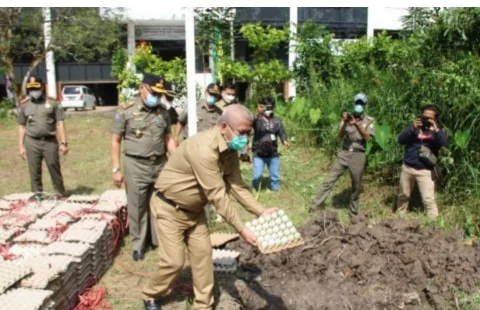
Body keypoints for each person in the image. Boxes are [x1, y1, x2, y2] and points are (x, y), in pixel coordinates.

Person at [142, 104, 278, 310]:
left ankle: (203, 306)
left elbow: (236, 186)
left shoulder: (230, 148)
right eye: (242, 132)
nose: (246, 138)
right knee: (174, 262)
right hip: (169, 208)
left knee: (203, 257)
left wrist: (260, 210)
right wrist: (242, 229)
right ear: (224, 127)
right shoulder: (204, 150)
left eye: (248, 133)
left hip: (194, 211)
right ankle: (150, 293)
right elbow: (217, 195)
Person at [110, 73, 176, 262]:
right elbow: (115, 141)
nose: (157, 96)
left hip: (160, 164)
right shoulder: (126, 110)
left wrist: (178, 160)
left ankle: (157, 240)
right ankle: (138, 244)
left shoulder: (163, 112)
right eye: (153, 92)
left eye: (159, 93)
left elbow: (168, 139)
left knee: (161, 203)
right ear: (142, 88)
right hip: (136, 164)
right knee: (137, 205)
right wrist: (116, 169)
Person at [309, 93, 375, 217]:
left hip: (358, 155)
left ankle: (353, 213)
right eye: (357, 103)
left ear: (365, 105)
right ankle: (315, 206)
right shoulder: (348, 117)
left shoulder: (370, 120)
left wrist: (356, 124)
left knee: (356, 185)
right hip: (344, 153)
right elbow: (340, 136)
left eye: (361, 103)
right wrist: (345, 123)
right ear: (354, 104)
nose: (359, 105)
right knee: (330, 180)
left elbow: (367, 138)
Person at [17, 76, 68, 197]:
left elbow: (60, 123)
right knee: (34, 171)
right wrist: (21, 146)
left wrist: (63, 143)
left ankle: (60, 194)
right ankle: (37, 196)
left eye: (36, 88)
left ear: (42, 87)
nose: (34, 91)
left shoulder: (52, 103)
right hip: (32, 142)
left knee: (54, 168)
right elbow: (21, 126)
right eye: (31, 88)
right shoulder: (25, 106)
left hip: (49, 142)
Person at [395, 105, 448, 219]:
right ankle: (399, 218)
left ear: (435, 119)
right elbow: (400, 140)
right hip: (408, 167)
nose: (426, 120)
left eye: (429, 118)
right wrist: (412, 128)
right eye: (424, 117)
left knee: (428, 199)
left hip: (425, 170)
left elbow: (444, 145)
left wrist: (436, 129)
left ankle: (433, 222)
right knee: (403, 195)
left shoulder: (437, 132)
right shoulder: (414, 127)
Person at [251, 97, 289, 192]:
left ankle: (275, 189)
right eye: (266, 108)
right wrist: (257, 112)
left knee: (274, 174)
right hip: (258, 153)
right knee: (257, 175)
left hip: (272, 153)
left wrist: (284, 140)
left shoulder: (277, 121)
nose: (268, 110)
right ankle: (255, 188)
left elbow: (281, 132)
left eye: (270, 108)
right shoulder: (257, 120)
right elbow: (249, 122)